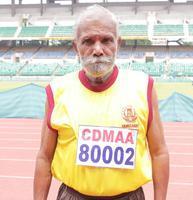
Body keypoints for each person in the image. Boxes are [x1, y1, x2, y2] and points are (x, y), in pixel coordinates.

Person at [34, 5, 169, 200]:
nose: (98, 50)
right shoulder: (57, 90)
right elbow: (44, 158)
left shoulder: (143, 86)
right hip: (73, 195)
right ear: (75, 47)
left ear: (118, 44)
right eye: (88, 41)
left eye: (106, 40)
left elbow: (159, 153)